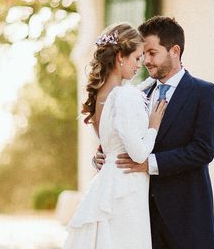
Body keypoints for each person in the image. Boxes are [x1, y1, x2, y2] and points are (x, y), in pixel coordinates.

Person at [98, 16, 214, 249]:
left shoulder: (205, 93)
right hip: (142, 218)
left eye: (152, 53)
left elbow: (203, 150)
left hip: (187, 218)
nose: (145, 60)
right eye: (142, 54)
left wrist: (150, 163)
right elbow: (123, 139)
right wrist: (103, 156)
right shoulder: (138, 94)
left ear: (174, 51)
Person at [63, 22, 167, 249]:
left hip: (108, 183)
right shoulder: (124, 95)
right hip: (127, 188)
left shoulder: (101, 96)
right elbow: (139, 154)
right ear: (121, 56)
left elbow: (109, 146)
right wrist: (153, 126)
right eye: (137, 58)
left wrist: (97, 157)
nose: (140, 65)